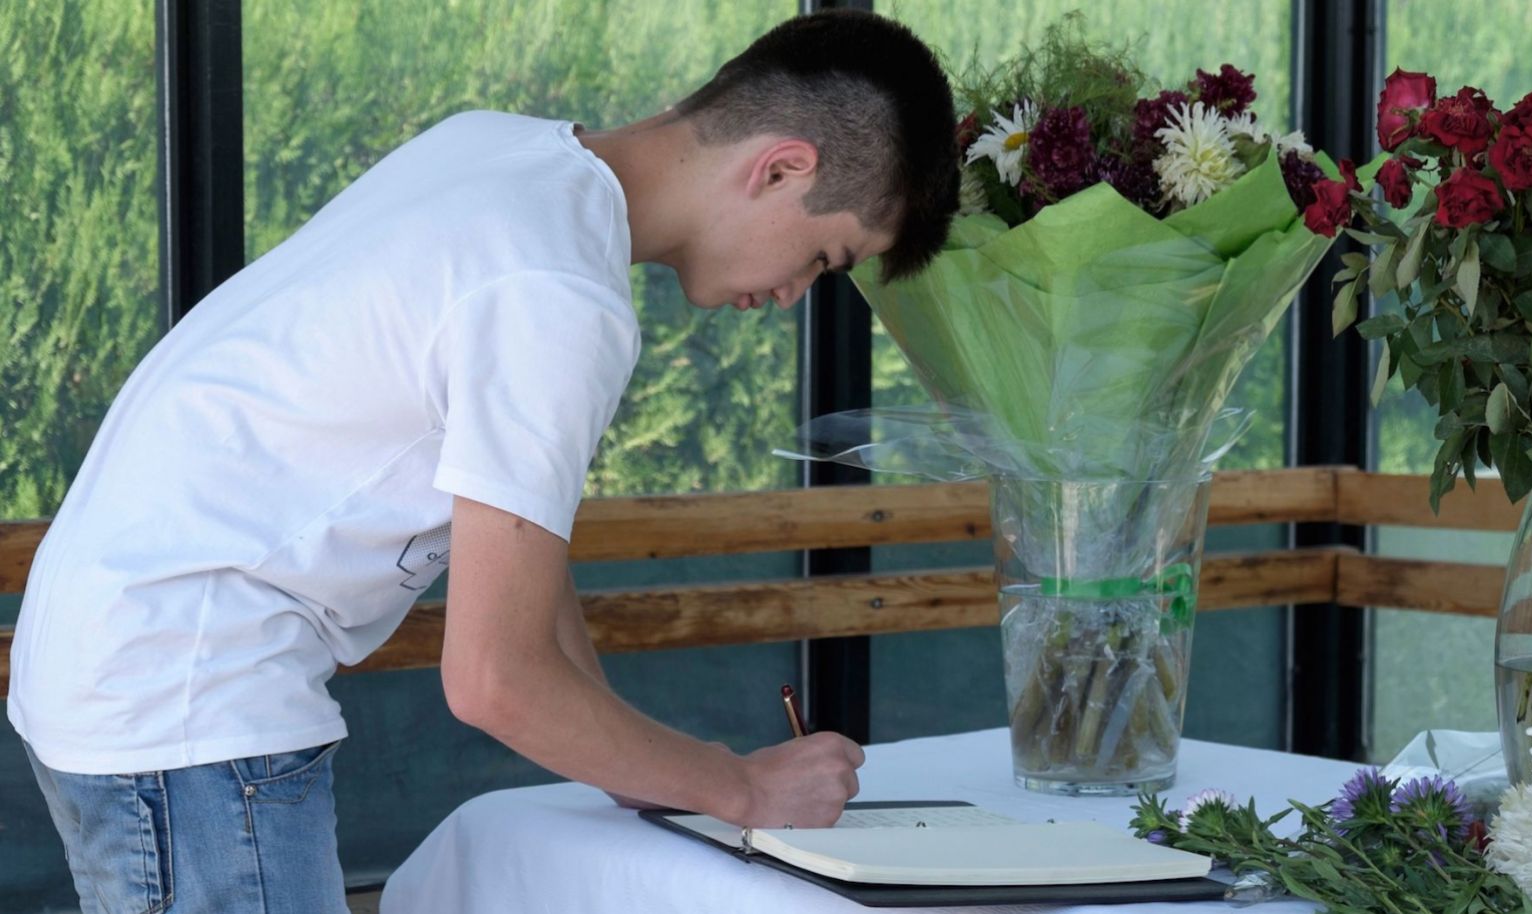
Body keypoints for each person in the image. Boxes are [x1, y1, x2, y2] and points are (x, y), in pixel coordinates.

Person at [7, 9, 957, 913]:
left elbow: (517, 573)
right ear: (783, 168)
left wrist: (639, 766)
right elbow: (495, 680)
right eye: (825, 259)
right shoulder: (557, 294)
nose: (794, 296)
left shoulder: (499, 151)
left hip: (119, 652)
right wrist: (742, 788)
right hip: (189, 696)